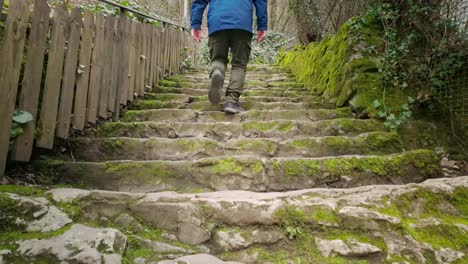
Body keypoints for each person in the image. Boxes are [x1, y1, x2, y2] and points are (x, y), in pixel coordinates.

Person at [190, 0, 268, 114]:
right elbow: (260, 2)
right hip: (242, 23)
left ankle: (217, 71)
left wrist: (195, 24)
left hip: (217, 22)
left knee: (218, 58)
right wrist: (262, 25)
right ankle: (232, 101)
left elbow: (199, 1)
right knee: (239, 64)